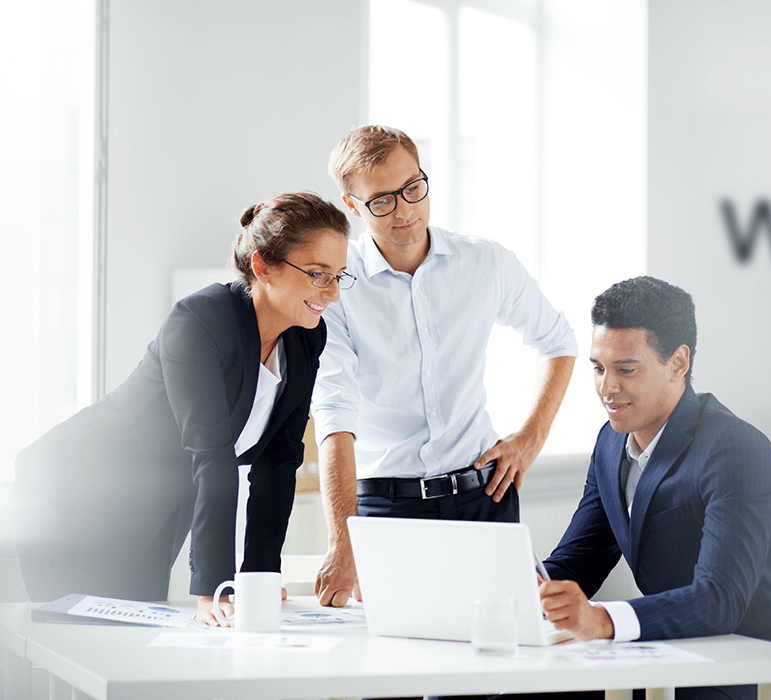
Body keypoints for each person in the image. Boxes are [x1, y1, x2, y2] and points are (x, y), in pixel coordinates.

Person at [14, 192, 353, 625]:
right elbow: (211, 456)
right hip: (76, 496)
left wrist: (258, 580)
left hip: (159, 496)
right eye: (318, 274)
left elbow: (280, 461)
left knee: (137, 639)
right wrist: (216, 587)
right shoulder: (201, 319)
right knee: (91, 642)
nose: (333, 294)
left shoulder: (306, 336)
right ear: (263, 266)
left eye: (340, 276)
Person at [311, 125, 578, 607]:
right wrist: (342, 541)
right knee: (394, 674)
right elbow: (335, 416)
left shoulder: (485, 263)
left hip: (482, 498)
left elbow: (557, 341)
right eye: (382, 200)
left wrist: (530, 439)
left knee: (495, 667)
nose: (405, 210)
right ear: (353, 206)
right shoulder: (338, 287)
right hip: (386, 510)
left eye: (413, 187)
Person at [536, 276, 771, 700]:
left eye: (626, 370)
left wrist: (602, 620)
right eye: (599, 369)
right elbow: (577, 562)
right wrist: (527, 586)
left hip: (759, 675)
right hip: (679, 660)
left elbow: (720, 599)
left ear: (678, 363)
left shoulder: (735, 450)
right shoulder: (609, 443)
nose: (607, 388)